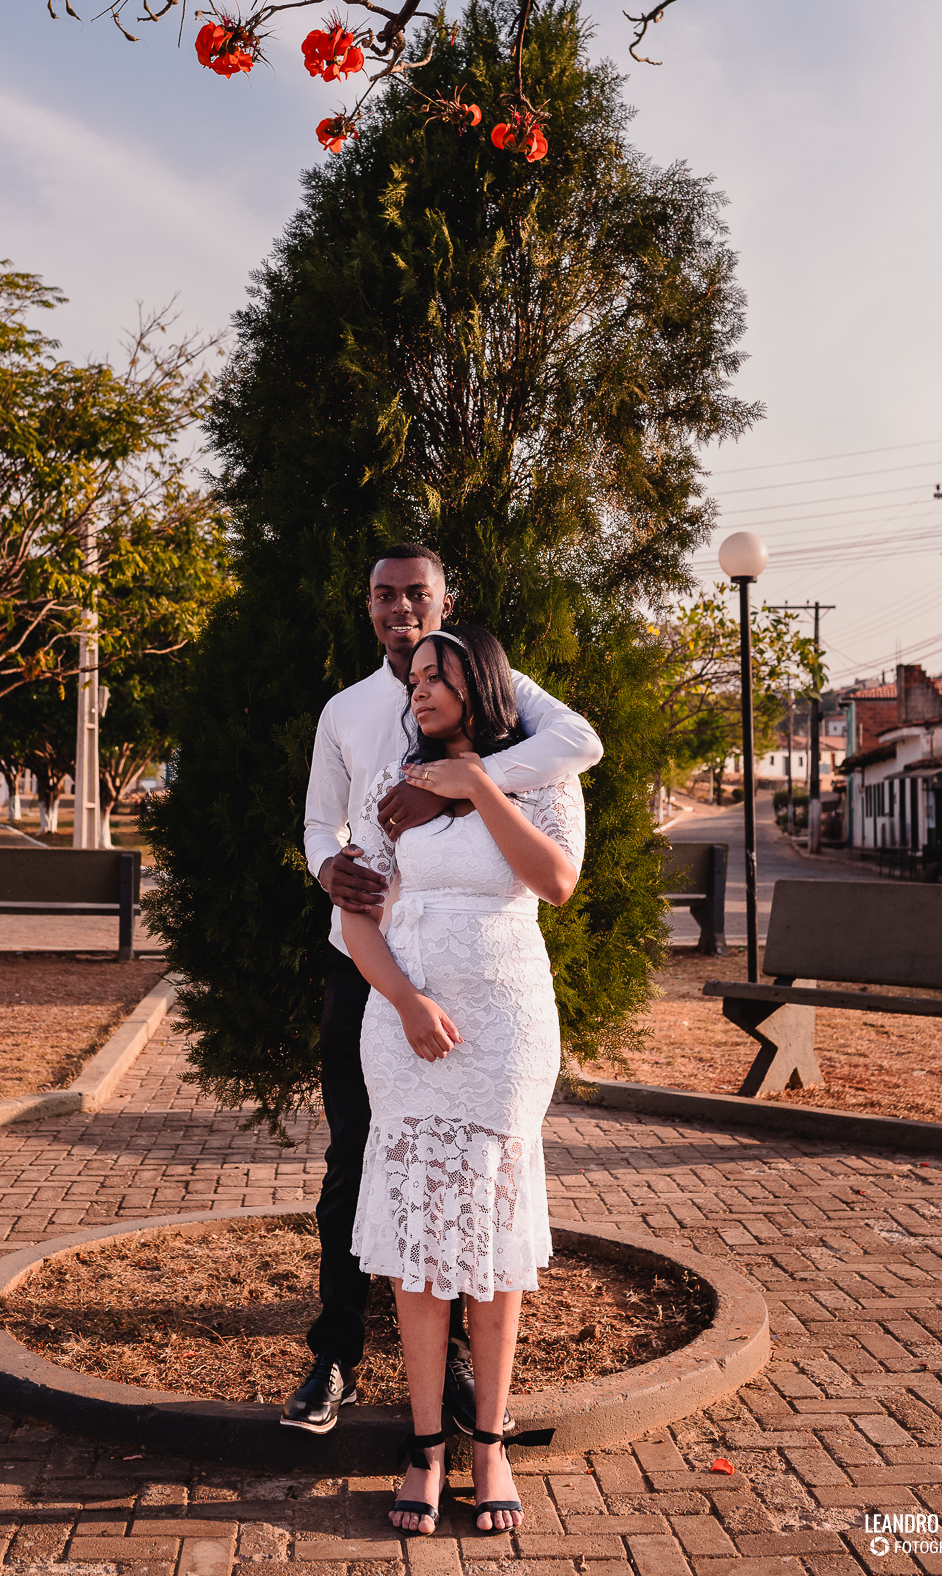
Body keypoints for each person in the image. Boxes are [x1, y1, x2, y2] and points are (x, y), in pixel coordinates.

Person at [288, 545, 601, 1436]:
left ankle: (459, 1376)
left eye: (415, 595)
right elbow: (322, 821)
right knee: (358, 1157)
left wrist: (457, 787)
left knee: (473, 1178)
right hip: (373, 961)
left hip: (484, 984)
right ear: (369, 606)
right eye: (382, 595)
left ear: (444, 602)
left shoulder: (505, 691)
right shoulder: (346, 710)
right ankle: (336, 1354)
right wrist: (331, 874)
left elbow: (577, 746)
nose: (399, 609)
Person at [343, 622, 584, 1535]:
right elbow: (360, 913)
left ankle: (487, 1442)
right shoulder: (390, 789)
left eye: (439, 676)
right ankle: (424, 1449)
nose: (420, 690)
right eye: (413, 681)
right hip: (406, 1028)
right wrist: (404, 1000)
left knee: (488, 1247)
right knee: (416, 1246)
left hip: (507, 1031)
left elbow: (556, 881)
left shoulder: (539, 778)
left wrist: (481, 783)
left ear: (482, 685)